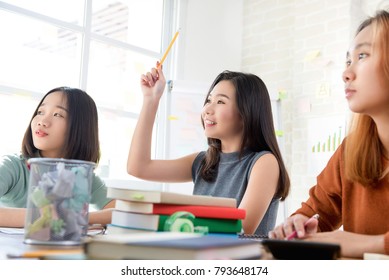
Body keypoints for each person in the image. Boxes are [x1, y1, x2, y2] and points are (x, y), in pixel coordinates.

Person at [269, 10, 389, 258]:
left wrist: (363, 243)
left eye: (362, 55)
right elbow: (316, 211)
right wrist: (300, 223)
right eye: (348, 61)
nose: (346, 73)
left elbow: (346, 242)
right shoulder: (351, 150)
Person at [127, 67, 290, 235]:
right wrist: (151, 99)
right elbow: (138, 167)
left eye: (220, 102)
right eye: (209, 100)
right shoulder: (203, 162)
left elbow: (239, 228)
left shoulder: (264, 163)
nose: (207, 110)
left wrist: (176, 221)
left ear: (247, 112)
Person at [0, 87, 115, 227]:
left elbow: (119, 213)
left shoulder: (82, 174)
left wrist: (77, 218)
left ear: (80, 127)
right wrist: (52, 216)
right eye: (40, 112)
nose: (42, 121)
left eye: (57, 114)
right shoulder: (13, 166)